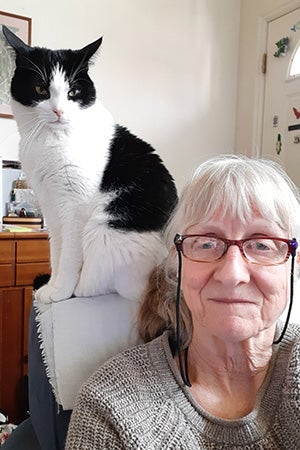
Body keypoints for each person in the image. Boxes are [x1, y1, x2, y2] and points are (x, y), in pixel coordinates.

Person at [65, 154, 300, 449]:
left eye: (262, 244)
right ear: (178, 264)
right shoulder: (110, 405)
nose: (232, 274)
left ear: (293, 264)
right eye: (206, 243)